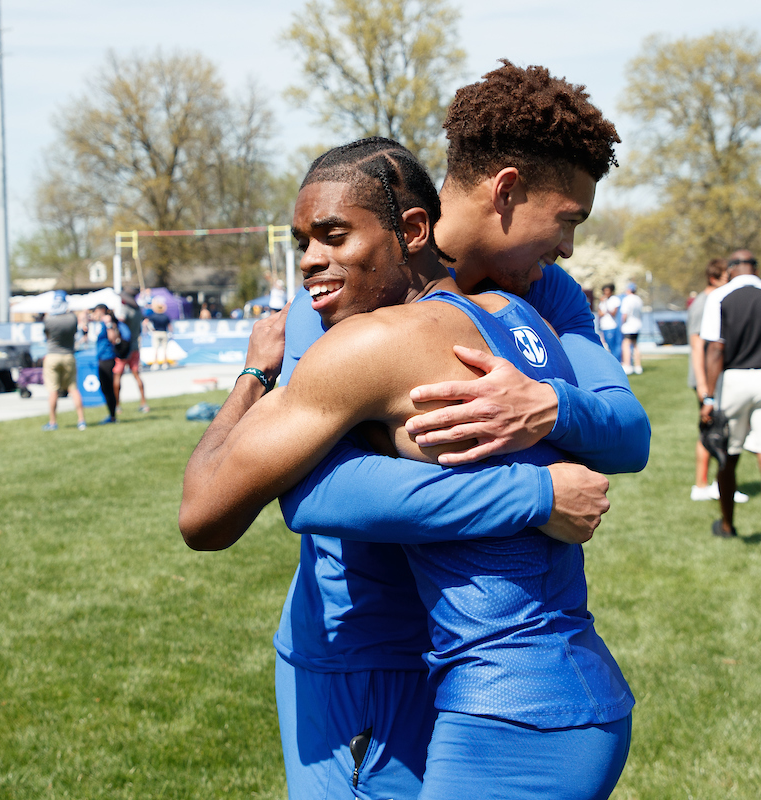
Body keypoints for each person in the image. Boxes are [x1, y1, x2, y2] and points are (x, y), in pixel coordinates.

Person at [233, 64, 648, 799]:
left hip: (481, 666)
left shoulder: (545, 293)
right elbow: (305, 486)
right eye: (569, 220)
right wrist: (533, 490)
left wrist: (551, 407)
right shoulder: (344, 294)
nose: (571, 250)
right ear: (508, 190)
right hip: (367, 653)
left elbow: (628, 435)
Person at [699, 249, 761, 557]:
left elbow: (716, 349)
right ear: (756, 268)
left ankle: (728, 524)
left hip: (734, 381)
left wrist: (709, 396)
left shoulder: (720, 297)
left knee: (727, 456)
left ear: (730, 270)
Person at [688, 258, 747, 503]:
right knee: (711, 430)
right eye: (726, 277)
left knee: (720, 430)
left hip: (715, 378)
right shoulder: (704, 303)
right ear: (714, 278)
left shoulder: (718, 301)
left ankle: (716, 483)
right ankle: (702, 485)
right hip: (707, 380)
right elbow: (697, 345)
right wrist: (704, 387)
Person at [41, 291, 87, 431]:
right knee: (73, 388)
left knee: (53, 390)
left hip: (52, 356)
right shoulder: (72, 318)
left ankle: (53, 422)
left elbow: (46, 336)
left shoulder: (49, 319)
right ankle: (81, 420)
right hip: (68, 356)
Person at [90, 304, 129, 425]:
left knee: (108, 388)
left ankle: (113, 415)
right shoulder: (100, 324)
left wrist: (108, 325)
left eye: (96, 312)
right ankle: (112, 414)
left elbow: (112, 338)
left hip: (108, 358)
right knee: (105, 388)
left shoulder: (108, 323)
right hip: (102, 358)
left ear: (101, 311)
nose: (95, 315)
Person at [112, 297, 149, 414]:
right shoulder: (138, 311)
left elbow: (120, 322)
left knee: (117, 376)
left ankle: (117, 405)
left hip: (124, 349)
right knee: (137, 375)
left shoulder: (125, 310)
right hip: (135, 347)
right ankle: (143, 403)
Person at [619, 282, 644, 375]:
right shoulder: (638, 299)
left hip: (629, 325)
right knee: (636, 345)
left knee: (626, 344)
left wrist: (622, 323)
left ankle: (627, 365)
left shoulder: (627, 299)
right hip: (637, 325)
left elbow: (624, 314)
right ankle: (638, 366)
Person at [143, 298, 173, 369]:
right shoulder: (165, 316)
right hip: (164, 332)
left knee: (156, 349)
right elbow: (169, 326)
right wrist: (171, 333)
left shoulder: (153, 316)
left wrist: (150, 330)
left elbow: (147, 323)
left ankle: (155, 363)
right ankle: (165, 363)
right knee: (164, 349)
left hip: (156, 333)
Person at [597, 282, 622, 359]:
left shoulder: (614, 300)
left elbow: (613, 313)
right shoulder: (603, 301)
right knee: (607, 345)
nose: (606, 293)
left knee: (614, 345)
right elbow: (600, 313)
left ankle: (618, 361)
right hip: (604, 326)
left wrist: (606, 304)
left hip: (612, 326)